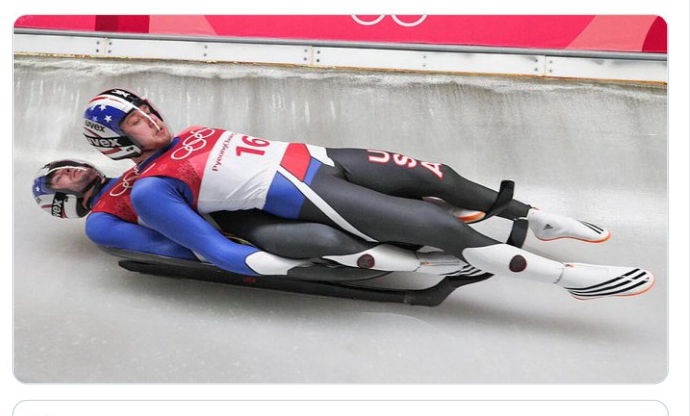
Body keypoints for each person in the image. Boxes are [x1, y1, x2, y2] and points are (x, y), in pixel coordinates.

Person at [81, 88, 654, 300]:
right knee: (438, 225)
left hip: (326, 158)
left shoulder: (188, 135)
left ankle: (537, 219)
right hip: (308, 194)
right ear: (114, 141)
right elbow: (213, 249)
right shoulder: (153, 189)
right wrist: (281, 268)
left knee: (440, 177)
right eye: (134, 121)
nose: (150, 119)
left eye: (146, 108)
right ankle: (568, 280)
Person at [33, 159, 484, 281]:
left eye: (65, 166)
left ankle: (433, 217)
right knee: (320, 232)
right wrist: (227, 253)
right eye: (59, 179)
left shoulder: (135, 169)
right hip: (231, 226)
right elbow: (170, 246)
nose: (68, 172)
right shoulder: (101, 220)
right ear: (61, 201)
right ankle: (423, 263)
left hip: (246, 191)